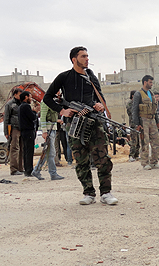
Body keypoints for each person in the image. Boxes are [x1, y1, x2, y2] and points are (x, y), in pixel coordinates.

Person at [43, 46, 118, 205]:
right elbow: (47, 97)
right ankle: (88, 193)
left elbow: (100, 98)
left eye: (87, 56)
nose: (87, 59)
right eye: (83, 56)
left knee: (103, 158)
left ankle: (106, 193)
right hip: (75, 124)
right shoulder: (64, 77)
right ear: (74, 59)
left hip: (94, 122)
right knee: (81, 159)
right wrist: (62, 111)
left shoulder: (91, 77)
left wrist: (100, 105)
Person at [132, 75, 159, 170]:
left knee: (157, 141)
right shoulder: (138, 94)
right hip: (143, 120)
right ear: (145, 82)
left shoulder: (151, 94)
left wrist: (158, 121)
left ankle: (154, 162)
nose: (151, 84)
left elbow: (154, 109)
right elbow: (134, 109)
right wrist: (137, 124)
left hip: (152, 120)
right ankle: (145, 163)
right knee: (145, 142)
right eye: (150, 82)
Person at [31, 100, 64, 180]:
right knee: (51, 153)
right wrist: (44, 131)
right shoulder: (46, 102)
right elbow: (43, 117)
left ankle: (37, 170)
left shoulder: (52, 102)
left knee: (48, 153)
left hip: (52, 129)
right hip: (49, 130)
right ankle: (52, 173)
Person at [18, 91, 39, 177]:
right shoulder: (26, 106)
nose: (31, 99)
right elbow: (32, 117)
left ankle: (27, 169)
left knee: (26, 151)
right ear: (26, 97)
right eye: (30, 97)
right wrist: (35, 112)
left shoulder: (20, 107)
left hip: (24, 131)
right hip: (28, 131)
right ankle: (29, 170)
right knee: (29, 151)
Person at [3, 88, 24, 175]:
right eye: (19, 94)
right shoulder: (10, 104)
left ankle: (20, 168)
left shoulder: (22, 103)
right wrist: (6, 132)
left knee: (22, 148)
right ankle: (14, 169)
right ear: (15, 94)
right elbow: (6, 119)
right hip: (14, 129)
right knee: (14, 148)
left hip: (22, 128)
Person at [126, 90, 140, 162]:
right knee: (134, 141)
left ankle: (136, 155)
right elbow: (132, 112)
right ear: (132, 96)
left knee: (138, 141)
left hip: (138, 124)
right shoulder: (130, 103)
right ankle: (131, 155)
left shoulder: (135, 103)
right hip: (133, 124)